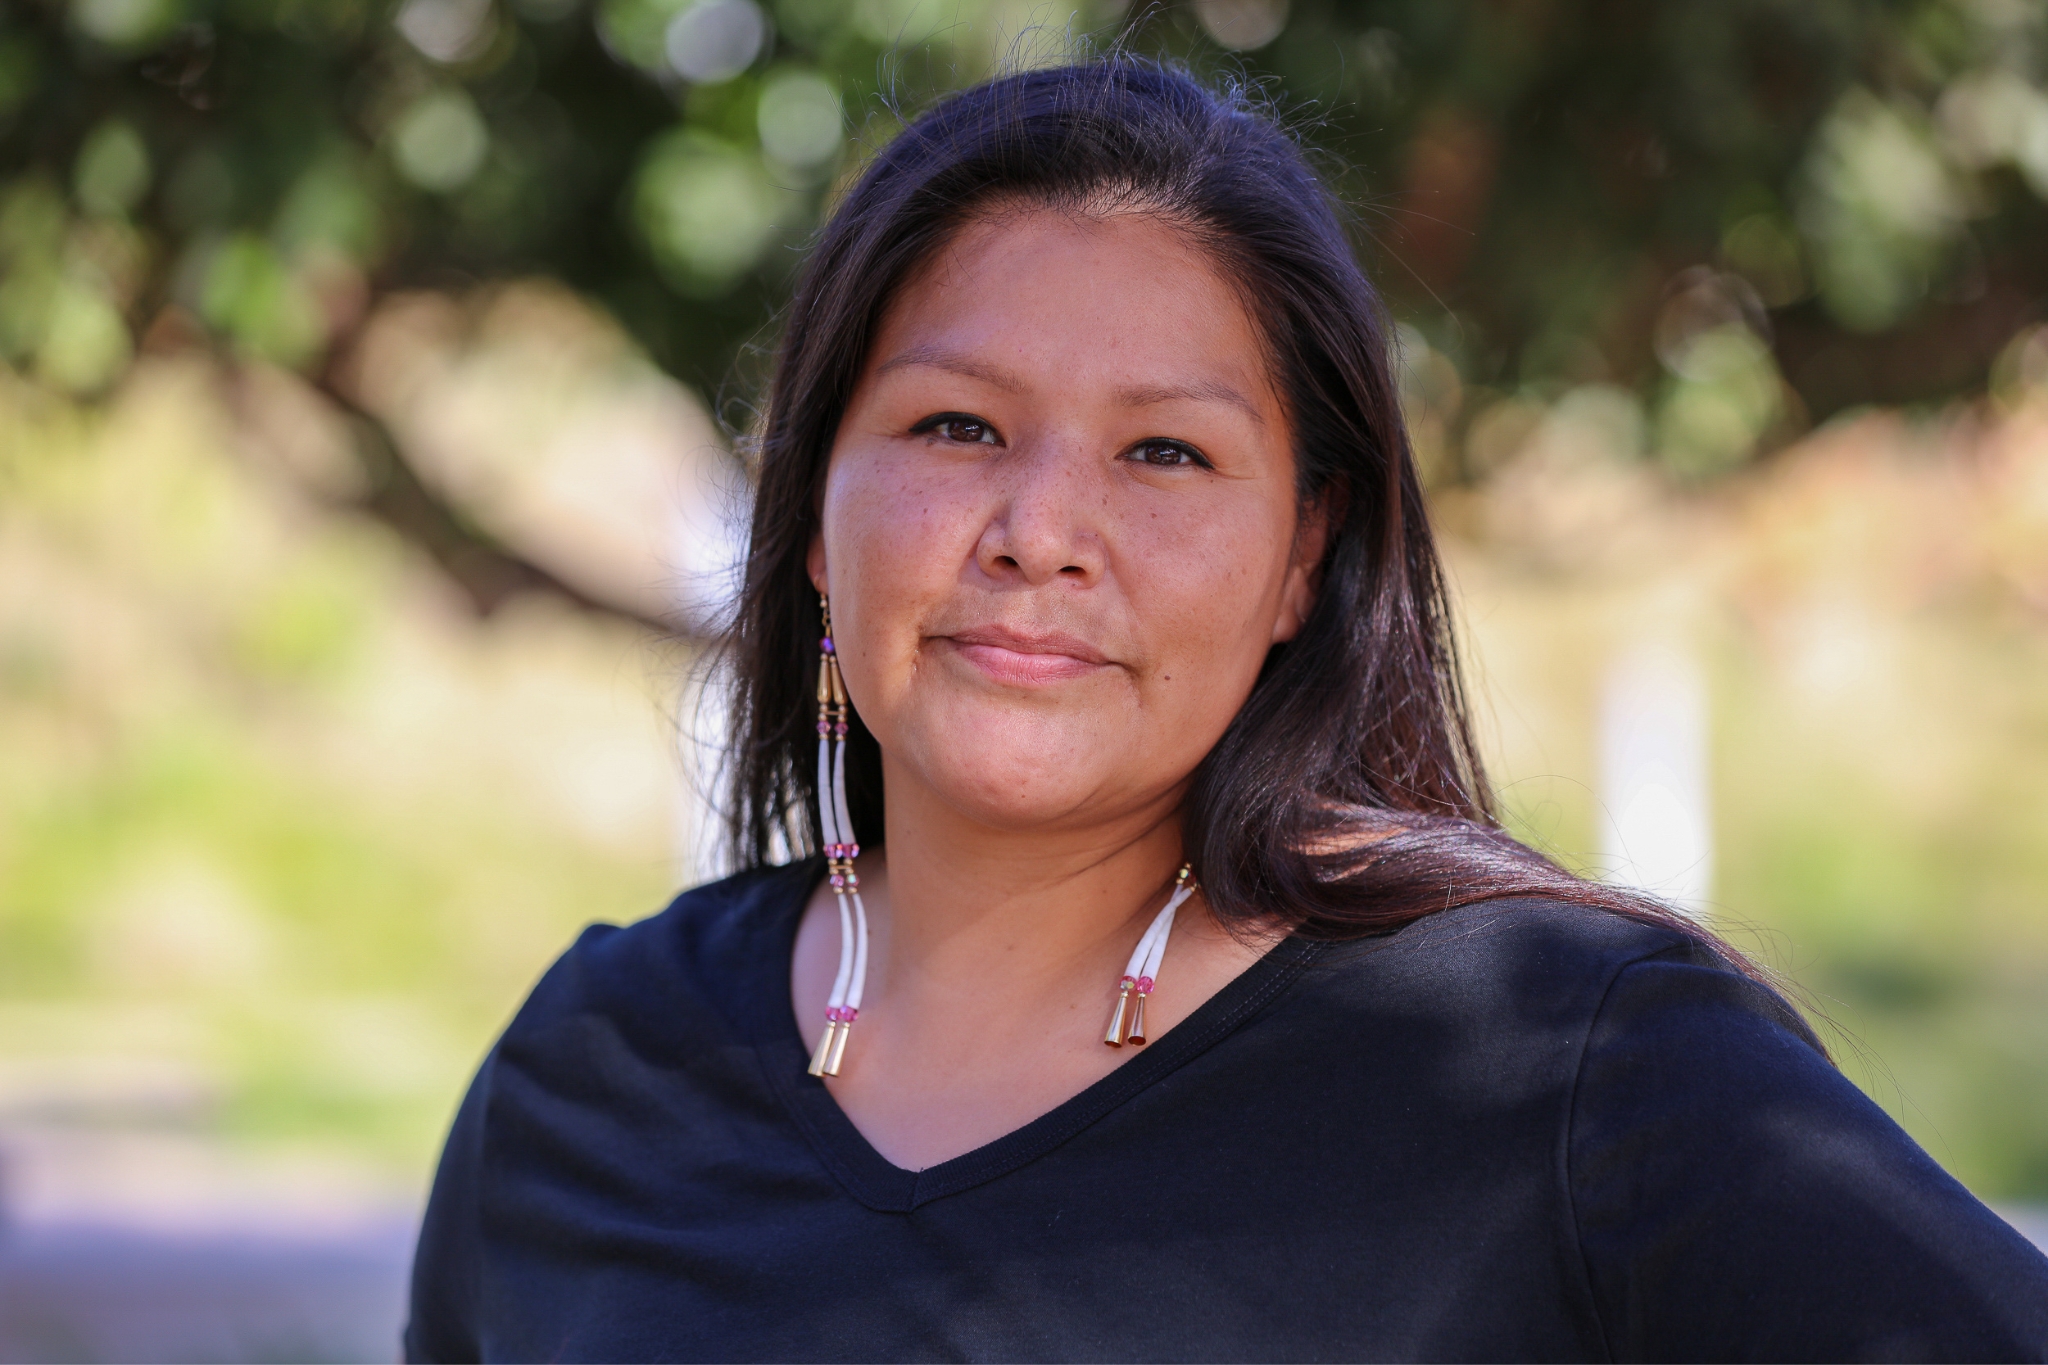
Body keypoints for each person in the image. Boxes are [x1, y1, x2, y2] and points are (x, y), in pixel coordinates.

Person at [404, 58, 2048, 1362]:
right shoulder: (593, 1065)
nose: (1041, 528)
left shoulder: (1561, 1068)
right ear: (815, 516)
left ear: (1299, 560)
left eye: (1165, 452)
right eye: (958, 425)